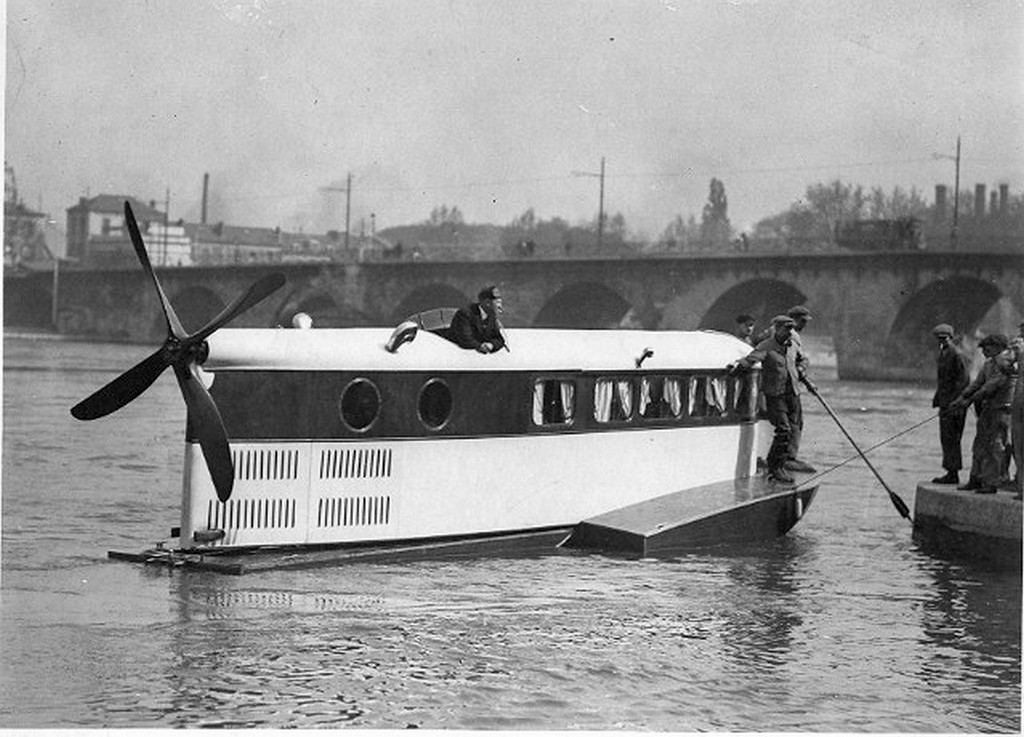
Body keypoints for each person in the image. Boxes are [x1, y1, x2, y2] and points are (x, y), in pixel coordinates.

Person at [727, 314, 807, 485]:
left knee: (793, 429)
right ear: (777, 329)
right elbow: (750, 360)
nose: (789, 332)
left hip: (792, 393)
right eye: (786, 328)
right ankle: (775, 467)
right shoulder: (766, 346)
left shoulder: (792, 346)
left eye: (791, 329)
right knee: (783, 430)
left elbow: (802, 359)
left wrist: (801, 368)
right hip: (775, 394)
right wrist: (736, 369)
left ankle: (782, 465)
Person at [950, 334, 1016, 494]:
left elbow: (991, 386)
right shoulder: (988, 364)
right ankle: (976, 479)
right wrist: (961, 398)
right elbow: (977, 384)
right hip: (988, 409)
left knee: (995, 446)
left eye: (987, 348)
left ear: (997, 347)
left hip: (1002, 410)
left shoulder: (1006, 363)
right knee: (979, 444)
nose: (984, 352)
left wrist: (969, 401)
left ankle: (991, 483)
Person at [930, 323, 971, 484]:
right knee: (946, 438)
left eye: (944, 338)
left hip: (954, 405)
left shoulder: (956, 354)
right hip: (946, 404)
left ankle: (953, 473)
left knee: (952, 438)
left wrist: (956, 402)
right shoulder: (944, 353)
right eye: (939, 339)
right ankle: (950, 470)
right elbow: (943, 381)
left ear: (951, 338)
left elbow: (963, 380)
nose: (941, 341)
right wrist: (939, 400)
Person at [783, 305, 816, 473]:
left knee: (790, 422)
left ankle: (787, 456)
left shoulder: (783, 333)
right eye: (802, 321)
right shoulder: (792, 335)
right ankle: (789, 458)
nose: (804, 325)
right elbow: (793, 363)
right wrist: (804, 376)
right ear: (794, 320)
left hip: (788, 385)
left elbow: (798, 361)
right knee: (795, 422)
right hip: (789, 387)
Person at [450, 285, 506, 353]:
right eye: (498, 302)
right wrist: (480, 346)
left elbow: (499, 339)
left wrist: (491, 345)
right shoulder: (465, 314)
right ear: (487, 303)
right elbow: (465, 339)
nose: (500, 307)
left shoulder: (491, 316)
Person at [1010, 322, 1024, 499]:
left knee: (1020, 445)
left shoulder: (1019, 346)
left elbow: (1002, 362)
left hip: (1021, 398)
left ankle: (1023, 490)